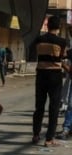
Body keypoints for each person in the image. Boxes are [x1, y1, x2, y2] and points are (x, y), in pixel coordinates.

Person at [31, 15, 68, 147]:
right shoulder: (62, 42)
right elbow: (60, 59)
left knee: (39, 107)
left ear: (47, 25)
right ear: (58, 27)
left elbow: (42, 57)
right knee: (53, 108)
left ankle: (36, 135)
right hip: (55, 76)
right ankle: (49, 139)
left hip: (41, 74)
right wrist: (68, 69)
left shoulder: (39, 40)